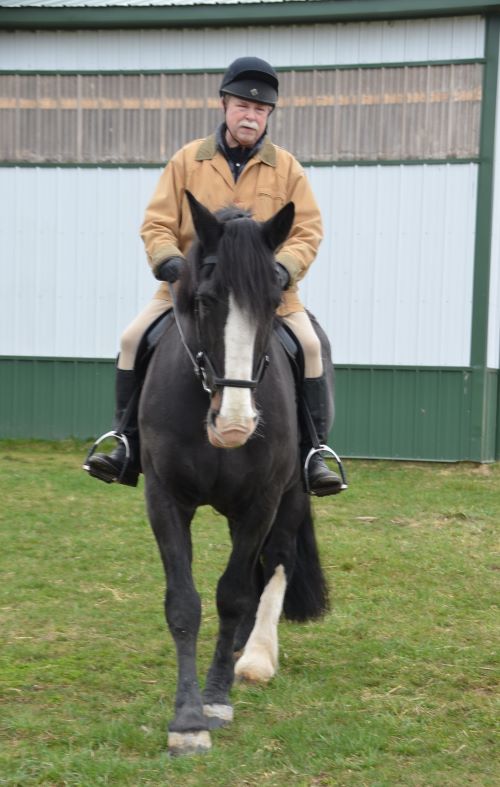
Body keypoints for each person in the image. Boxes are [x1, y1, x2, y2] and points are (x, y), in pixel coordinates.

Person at [85, 56, 342, 496]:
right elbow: (157, 223)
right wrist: (169, 262)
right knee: (131, 339)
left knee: (312, 348)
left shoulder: (287, 168)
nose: (251, 116)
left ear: (269, 115)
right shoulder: (188, 160)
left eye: (260, 110)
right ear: (224, 105)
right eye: (243, 106)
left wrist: (283, 268)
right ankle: (125, 441)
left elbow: (308, 231)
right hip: (191, 289)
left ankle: (314, 452)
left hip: (266, 295)